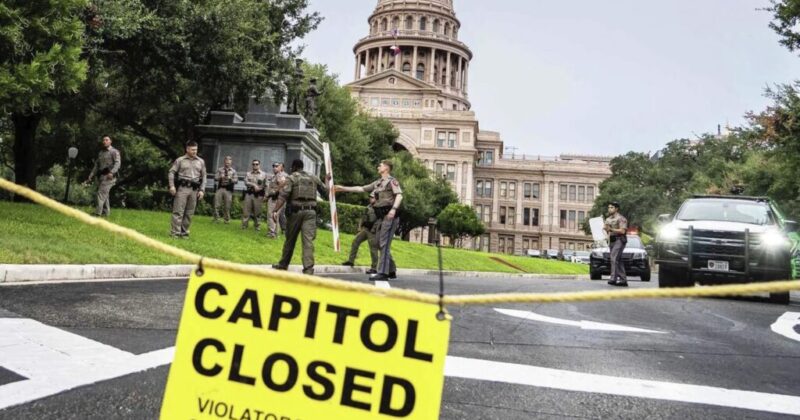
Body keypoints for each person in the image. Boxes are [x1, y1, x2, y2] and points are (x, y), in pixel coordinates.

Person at [335, 160, 402, 281]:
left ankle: (383, 273)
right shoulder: (378, 183)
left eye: (380, 165)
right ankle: (391, 270)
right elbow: (361, 189)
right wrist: (342, 188)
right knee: (378, 242)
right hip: (381, 217)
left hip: (389, 215)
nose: (378, 167)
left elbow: (399, 195)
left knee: (384, 243)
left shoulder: (392, 181)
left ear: (386, 168)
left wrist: (394, 209)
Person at [271, 159, 329, 275]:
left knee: (290, 240)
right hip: (311, 213)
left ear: (294, 167)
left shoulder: (292, 177)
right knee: (308, 242)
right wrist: (327, 181)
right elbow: (326, 193)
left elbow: (283, 195)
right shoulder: (313, 177)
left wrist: (275, 210)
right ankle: (308, 269)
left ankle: (283, 265)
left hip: (296, 212)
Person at [168, 141, 206, 238]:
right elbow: (171, 172)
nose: (195, 151)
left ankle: (184, 233)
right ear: (187, 149)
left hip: (194, 189)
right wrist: (172, 186)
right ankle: (175, 232)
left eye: (196, 150)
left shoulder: (201, 161)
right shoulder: (180, 160)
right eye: (193, 150)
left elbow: (204, 176)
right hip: (182, 188)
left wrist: (202, 190)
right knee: (178, 211)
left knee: (189, 213)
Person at [341, 195, 379, 274]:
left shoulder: (379, 207)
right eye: (370, 197)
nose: (370, 199)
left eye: (372, 197)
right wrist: (359, 227)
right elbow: (362, 217)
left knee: (373, 249)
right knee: (355, 241)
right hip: (365, 229)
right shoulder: (368, 207)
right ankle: (351, 261)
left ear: (376, 198)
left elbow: (380, 220)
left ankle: (374, 268)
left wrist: (374, 229)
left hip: (373, 231)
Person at [85, 135, 121, 217]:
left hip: (110, 176)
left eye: (107, 140)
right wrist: (91, 175)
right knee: (105, 195)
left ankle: (97, 213)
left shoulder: (114, 151)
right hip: (101, 176)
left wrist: (112, 172)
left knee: (100, 193)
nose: (104, 141)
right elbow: (96, 165)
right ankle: (106, 213)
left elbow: (118, 163)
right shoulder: (101, 153)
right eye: (103, 140)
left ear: (110, 141)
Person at [604, 201, 629, 286]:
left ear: (616, 209)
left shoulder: (621, 218)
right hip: (611, 240)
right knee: (618, 260)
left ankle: (613, 278)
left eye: (611, 207)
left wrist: (611, 229)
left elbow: (622, 231)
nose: (609, 209)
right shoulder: (608, 219)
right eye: (608, 207)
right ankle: (623, 280)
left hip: (620, 239)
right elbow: (607, 230)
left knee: (613, 258)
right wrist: (605, 229)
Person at [242, 160, 267, 231]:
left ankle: (257, 226)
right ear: (252, 165)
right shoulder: (248, 174)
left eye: (256, 164)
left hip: (258, 195)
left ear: (259, 165)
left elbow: (266, 185)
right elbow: (245, 181)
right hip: (249, 194)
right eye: (253, 164)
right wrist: (253, 185)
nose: (255, 165)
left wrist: (260, 189)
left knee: (257, 212)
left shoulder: (263, 174)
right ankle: (244, 226)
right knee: (246, 211)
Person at [266, 161, 289, 238]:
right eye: (273, 166)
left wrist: (275, 193)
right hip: (274, 197)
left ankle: (271, 233)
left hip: (275, 198)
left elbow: (282, 186)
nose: (274, 168)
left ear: (280, 168)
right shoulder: (274, 176)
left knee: (271, 215)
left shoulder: (280, 176)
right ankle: (275, 233)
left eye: (277, 166)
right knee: (276, 216)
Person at [213, 156, 237, 224]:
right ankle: (216, 219)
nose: (227, 163)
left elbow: (236, 180)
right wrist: (220, 177)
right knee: (216, 204)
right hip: (220, 188)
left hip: (228, 190)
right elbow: (215, 178)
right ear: (224, 162)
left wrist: (230, 179)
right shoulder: (220, 170)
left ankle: (226, 220)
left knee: (227, 206)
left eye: (229, 162)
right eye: (226, 161)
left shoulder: (233, 171)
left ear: (231, 162)